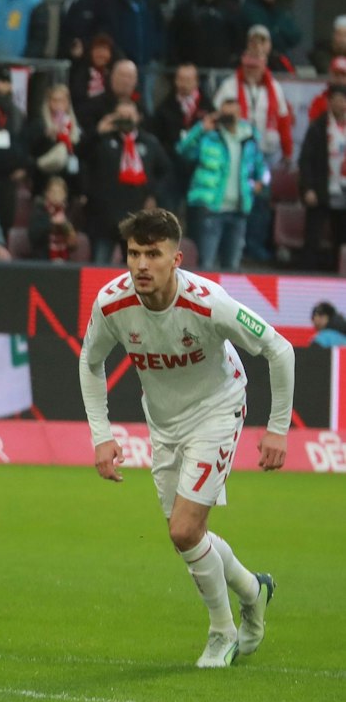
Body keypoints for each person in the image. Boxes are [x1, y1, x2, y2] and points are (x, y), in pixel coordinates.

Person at [79, 208, 291, 670]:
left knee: (184, 528)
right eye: (134, 253)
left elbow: (280, 348)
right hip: (164, 423)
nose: (141, 265)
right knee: (187, 537)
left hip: (218, 408)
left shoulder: (208, 302)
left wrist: (278, 428)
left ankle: (221, 633)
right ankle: (254, 591)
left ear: (176, 258)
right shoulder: (112, 303)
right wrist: (102, 435)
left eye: (153, 254)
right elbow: (89, 362)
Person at [178, 90, 265, 272]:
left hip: (239, 209)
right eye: (224, 113)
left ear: (240, 114)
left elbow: (261, 167)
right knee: (207, 264)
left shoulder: (250, 137)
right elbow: (182, 151)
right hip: (212, 208)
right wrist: (200, 128)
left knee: (232, 266)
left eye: (231, 114)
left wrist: (260, 183)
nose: (227, 117)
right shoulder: (209, 137)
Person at [85, 97, 172, 265]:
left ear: (138, 117)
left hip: (137, 218)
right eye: (121, 115)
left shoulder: (150, 143)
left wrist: (153, 194)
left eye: (129, 115)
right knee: (99, 265)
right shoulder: (102, 140)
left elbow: (166, 171)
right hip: (105, 217)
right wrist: (97, 132)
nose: (125, 120)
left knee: (136, 268)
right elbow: (82, 155)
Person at [297, 84, 346, 271]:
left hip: (344, 191)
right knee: (313, 237)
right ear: (329, 103)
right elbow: (306, 160)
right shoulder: (318, 126)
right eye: (338, 100)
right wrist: (308, 188)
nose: (342, 104)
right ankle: (307, 275)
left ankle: (338, 275)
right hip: (321, 189)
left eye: (344, 100)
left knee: (341, 238)